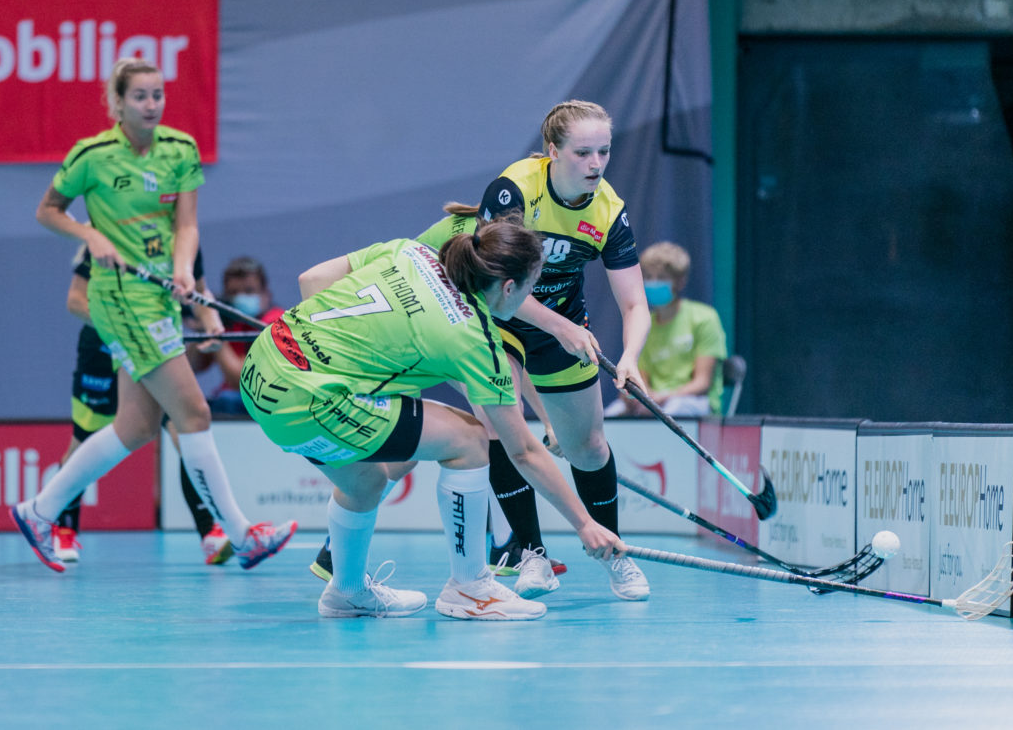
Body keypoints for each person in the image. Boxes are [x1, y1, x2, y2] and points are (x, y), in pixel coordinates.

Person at [241, 215, 624, 619]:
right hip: (312, 399)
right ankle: (471, 587)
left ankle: (346, 592)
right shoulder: (475, 339)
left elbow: (312, 280)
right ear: (510, 288)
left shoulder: (409, 251)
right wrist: (585, 524)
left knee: (367, 481)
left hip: (263, 369)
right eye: (532, 288)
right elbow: (523, 452)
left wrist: (356, 358)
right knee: (470, 439)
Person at [12, 56, 296, 572]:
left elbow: (186, 225)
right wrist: (90, 234)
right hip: (119, 299)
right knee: (194, 413)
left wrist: (185, 273)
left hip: (160, 297)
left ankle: (40, 510)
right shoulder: (92, 156)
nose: (151, 104)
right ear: (117, 103)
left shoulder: (180, 151)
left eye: (157, 94)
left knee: (137, 426)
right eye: (139, 96)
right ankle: (238, 533)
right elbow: (47, 211)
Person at [464, 100, 653, 601]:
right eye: (583, 152)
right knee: (501, 429)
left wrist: (631, 355)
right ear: (553, 152)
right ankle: (532, 555)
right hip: (495, 315)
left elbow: (634, 302)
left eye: (604, 152)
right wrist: (561, 327)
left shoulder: (608, 210)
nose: (595, 164)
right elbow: (495, 281)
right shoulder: (515, 189)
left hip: (560, 325)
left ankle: (616, 555)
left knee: (587, 447)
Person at [51, 243, 236, 566]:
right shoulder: (108, 238)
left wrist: (211, 322)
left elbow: (201, 294)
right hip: (103, 349)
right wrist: (122, 326)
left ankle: (210, 533)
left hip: (156, 349)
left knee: (184, 433)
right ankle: (61, 526)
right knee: (82, 441)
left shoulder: (186, 244)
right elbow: (75, 301)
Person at [605, 241, 728, 418]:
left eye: (661, 277)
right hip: (653, 401)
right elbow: (643, 377)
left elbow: (702, 383)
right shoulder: (645, 324)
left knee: (670, 412)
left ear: (680, 282)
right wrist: (640, 398)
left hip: (693, 404)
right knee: (609, 414)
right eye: (648, 276)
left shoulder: (705, 318)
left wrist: (661, 398)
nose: (653, 283)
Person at [196, 256, 285, 416]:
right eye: (233, 293)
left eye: (249, 291)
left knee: (225, 401)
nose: (240, 297)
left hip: (265, 404)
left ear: (266, 294)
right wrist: (204, 322)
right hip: (229, 403)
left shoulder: (275, 323)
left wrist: (216, 335)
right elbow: (194, 365)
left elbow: (241, 381)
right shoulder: (229, 323)